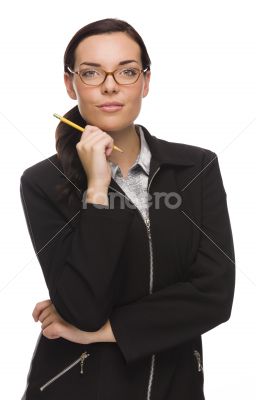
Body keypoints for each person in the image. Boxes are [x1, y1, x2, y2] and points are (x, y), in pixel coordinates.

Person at [20, 18, 235, 400]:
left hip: (177, 385)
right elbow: (81, 307)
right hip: (79, 386)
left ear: (146, 81)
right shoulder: (43, 183)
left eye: (127, 71)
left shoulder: (196, 167)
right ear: (70, 84)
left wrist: (101, 332)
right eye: (91, 73)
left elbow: (215, 295)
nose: (110, 85)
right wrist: (98, 189)